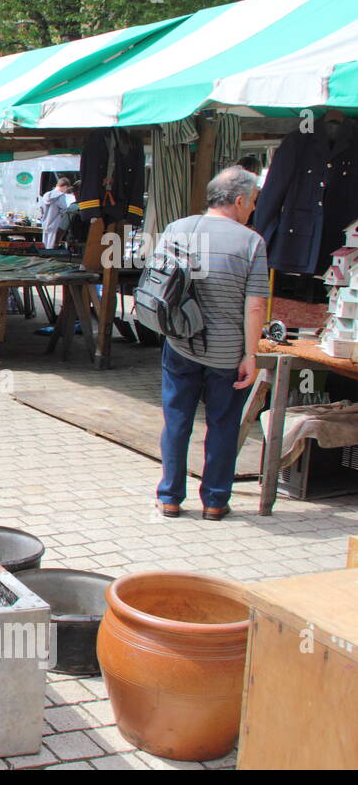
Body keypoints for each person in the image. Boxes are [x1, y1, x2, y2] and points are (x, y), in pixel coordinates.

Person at [156, 167, 269, 521]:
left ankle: (170, 498)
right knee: (222, 423)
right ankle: (215, 501)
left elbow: (160, 285)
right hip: (227, 352)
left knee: (177, 420)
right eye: (251, 202)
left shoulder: (178, 229)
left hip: (180, 343)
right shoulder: (251, 242)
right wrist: (251, 355)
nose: (252, 209)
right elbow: (255, 305)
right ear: (238, 201)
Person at [38, 177, 73, 249]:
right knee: (51, 248)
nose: (65, 191)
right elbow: (64, 209)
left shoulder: (46, 195)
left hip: (45, 224)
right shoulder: (61, 196)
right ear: (65, 186)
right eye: (66, 189)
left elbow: (41, 209)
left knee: (44, 247)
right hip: (55, 225)